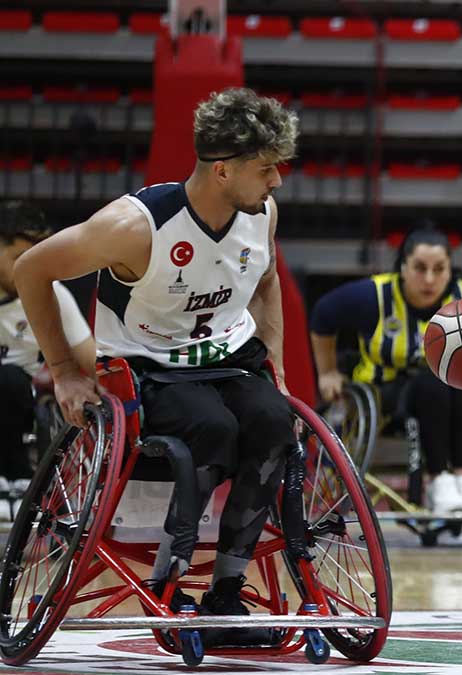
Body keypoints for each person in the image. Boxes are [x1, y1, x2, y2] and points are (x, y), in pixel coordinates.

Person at [14, 87, 300, 644]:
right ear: (222, 170)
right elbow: (30, 269)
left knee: (273, 423)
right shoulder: (136, 226)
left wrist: (279, 370)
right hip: (151, 367)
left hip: (229, 357)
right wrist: (65, 371)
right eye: (266, 169)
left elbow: (266, 281)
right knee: (212, 428)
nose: (277, 182)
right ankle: (168, 580)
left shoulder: (261, 213)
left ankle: (226, 590)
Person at [309, 224, 462, 515]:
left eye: (439, 269)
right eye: (419, 268)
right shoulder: (373, 295)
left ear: (450, 270)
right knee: (433, 381)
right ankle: (439, 480)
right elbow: (322, 314)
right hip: (384, 392)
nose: (429, 279)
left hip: (446, 392)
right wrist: (327, 372)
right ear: (403, 267)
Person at [0, 201, 95, 516]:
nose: (27, 269)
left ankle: (15, 478)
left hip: (18, 401)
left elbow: (92, 360)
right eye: (19, 258)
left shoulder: (51, 295)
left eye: (34, 259)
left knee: (9, 378)